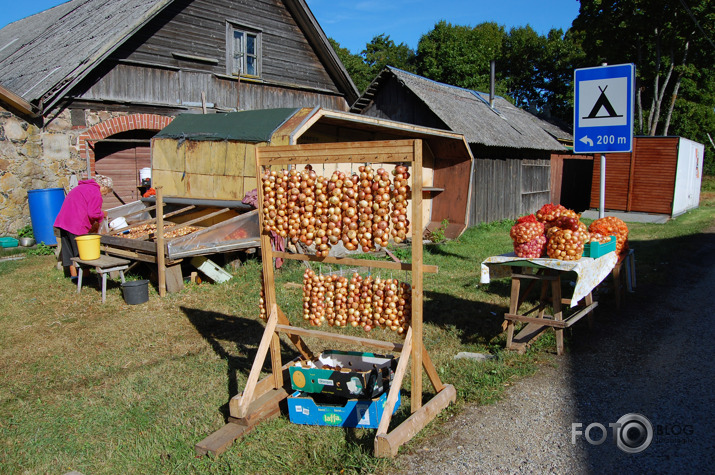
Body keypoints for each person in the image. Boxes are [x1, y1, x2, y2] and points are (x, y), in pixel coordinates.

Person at [54, 175, 113, 277]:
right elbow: (93, 213)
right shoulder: (95, 193)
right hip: (76, 225)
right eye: (106, 192)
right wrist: (103, 214)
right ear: (103, 186)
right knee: (82, 253)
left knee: (69, 251)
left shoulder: (80, 188)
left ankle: (73, 276)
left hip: (63, 222)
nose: (105, 194)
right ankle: (85, 277)